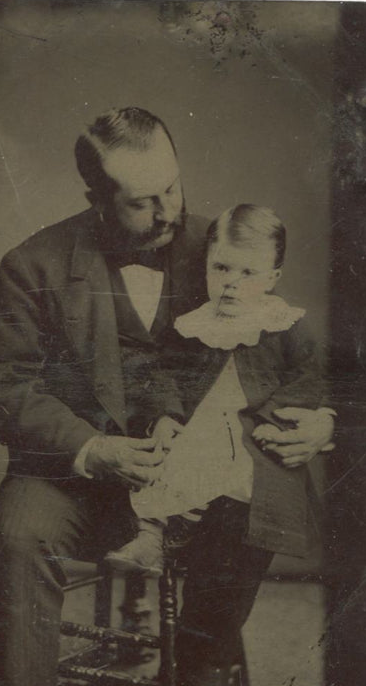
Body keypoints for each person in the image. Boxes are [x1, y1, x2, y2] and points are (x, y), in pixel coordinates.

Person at [0, 107, 335, 686]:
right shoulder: (34, 265)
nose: (168, 211)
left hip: (200, 478)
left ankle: (197, 673)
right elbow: (3, 383)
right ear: (97, 198)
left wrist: (322, 422)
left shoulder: (220, 250)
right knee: (19, 538)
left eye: (173, 187)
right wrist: (91, 448)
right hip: (74, 475)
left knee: (257, 496)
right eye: (143, 202)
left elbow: (288, 354)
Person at [106, 202, 327, 577]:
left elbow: (307, 379)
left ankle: (181, 530)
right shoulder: (194, 325)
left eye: (248, 272)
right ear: (207, 264)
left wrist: (274, 419)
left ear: (272, 278)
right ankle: (152, 538)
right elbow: (164, 374)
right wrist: (164, 414)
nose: (231, 282)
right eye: (221, 267)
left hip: (250, 432)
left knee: (232, 486)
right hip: (198, 425)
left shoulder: (283, 325)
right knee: (164, 457)